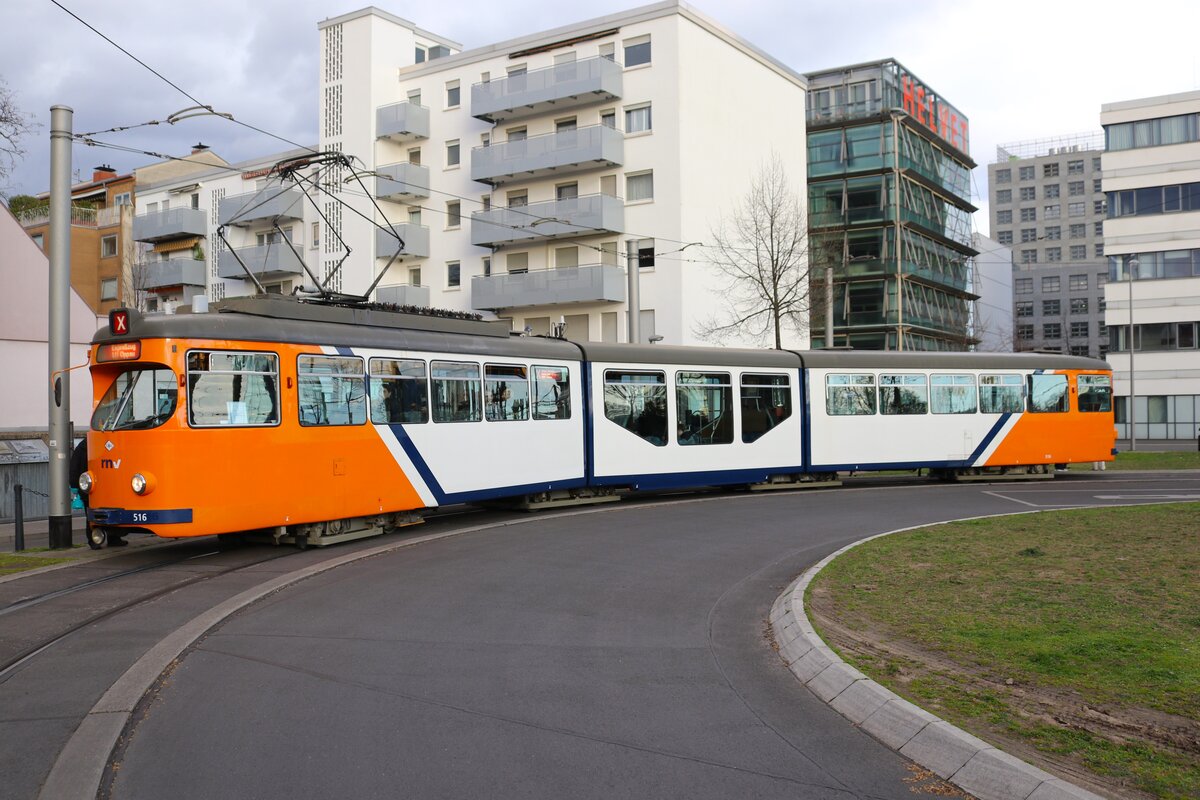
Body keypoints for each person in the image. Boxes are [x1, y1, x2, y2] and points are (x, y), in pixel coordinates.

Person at [69, 439, 125, 547]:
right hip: (104, 488)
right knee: (107, 512)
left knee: (92, 515)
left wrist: (74, 485)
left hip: (89, 487)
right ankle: (111, 538)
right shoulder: (104, 445)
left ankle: (95, 540)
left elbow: (74, 467)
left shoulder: (84, 446)